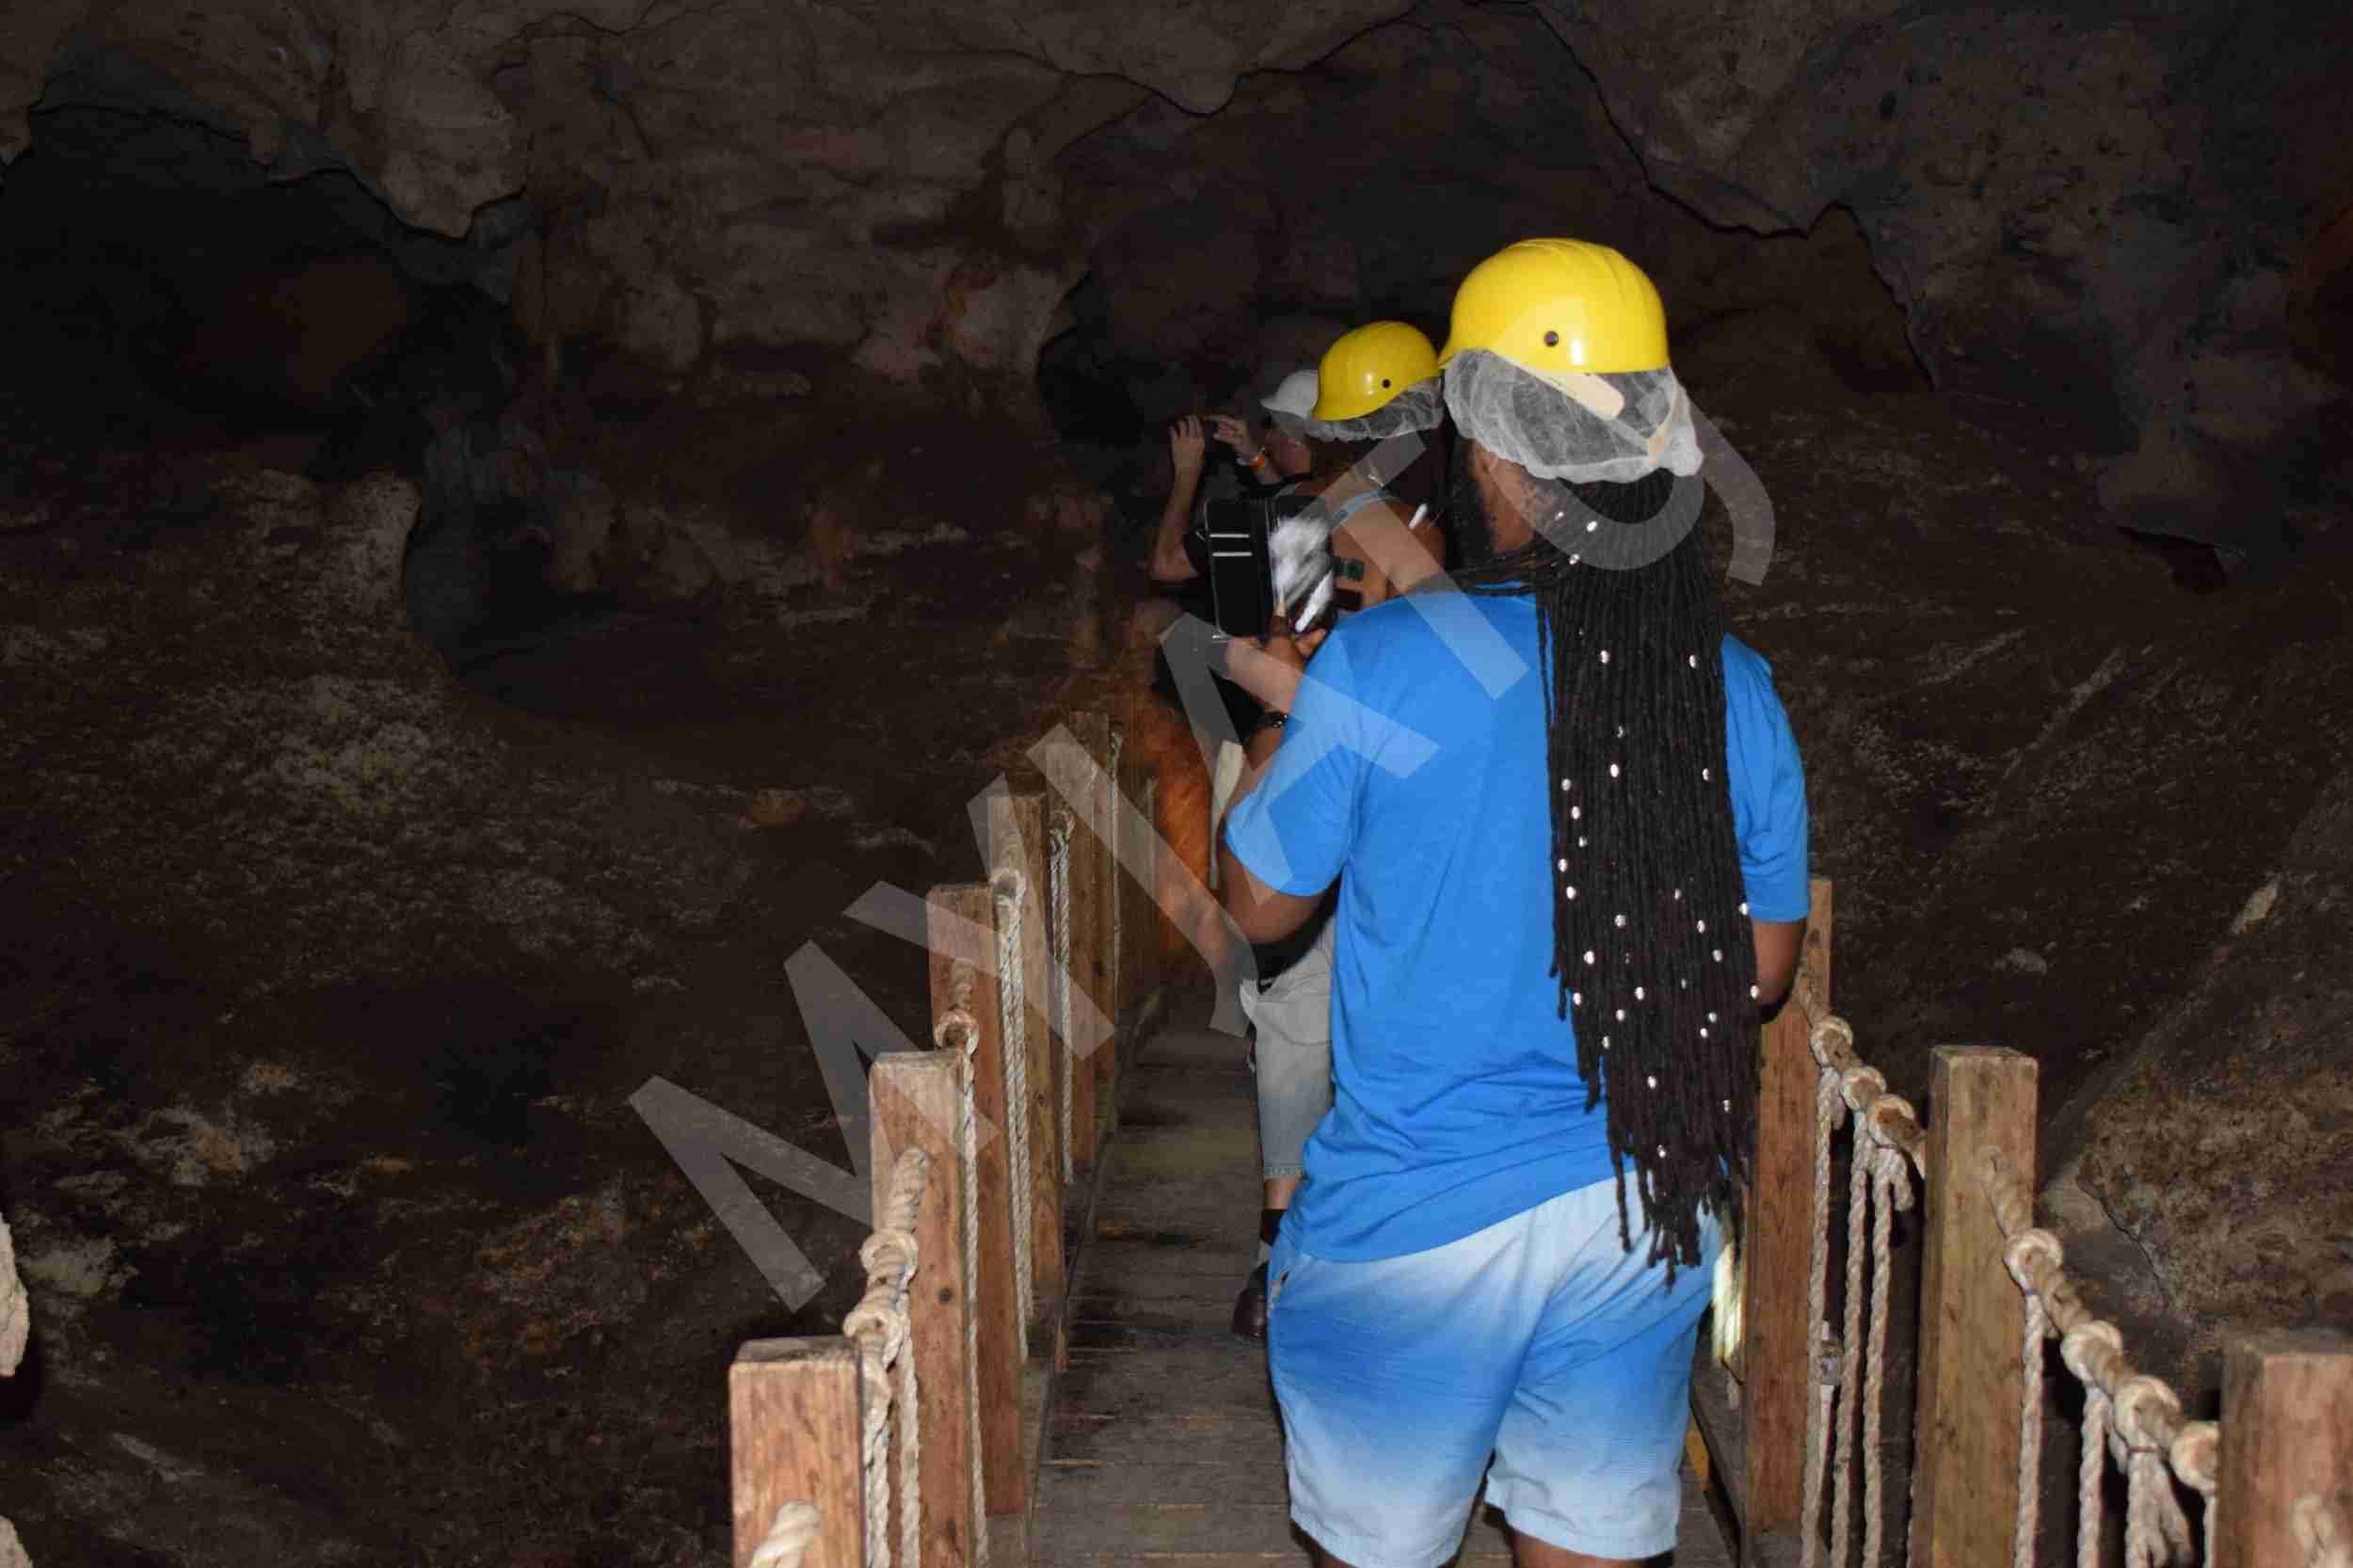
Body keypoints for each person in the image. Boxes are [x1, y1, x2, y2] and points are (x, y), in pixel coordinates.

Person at [1217, 238, 1811, 1568]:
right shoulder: (1730, 681)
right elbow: (1762, 972)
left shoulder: (1384, 662)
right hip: (1636, 1213)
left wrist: (1275, 728)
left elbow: (1259, 907)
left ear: (1486, 449)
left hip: (1417, 1224)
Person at [1221, 320, 1451, 1342]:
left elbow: (1282, 654)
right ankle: (1348, 1238)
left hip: (1322, 766)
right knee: (1351, 996)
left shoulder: (1311, 523)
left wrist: (1277, 723)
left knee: (1295, 1003)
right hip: (1389, 784)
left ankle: (1284, 1243)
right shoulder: (1420, 533)